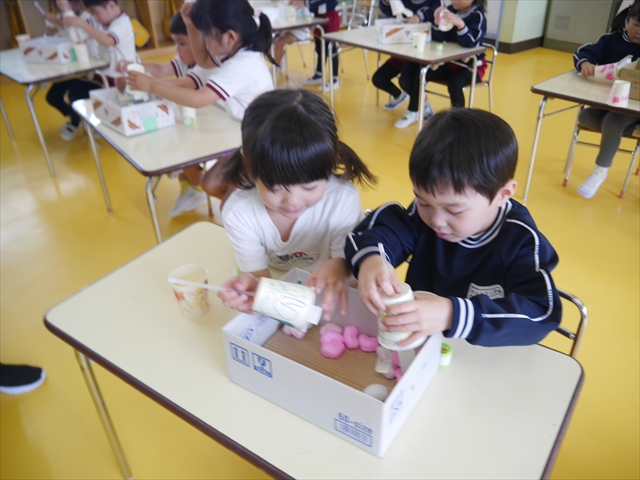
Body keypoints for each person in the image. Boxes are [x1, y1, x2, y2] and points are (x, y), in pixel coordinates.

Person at [345, 109, 562, 347]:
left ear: (503, 194)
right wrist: (373, 259)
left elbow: (541, 312)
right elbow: (382, 230)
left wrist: (451, 314)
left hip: (482, 351)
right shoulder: (423, 217)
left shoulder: (520, 240)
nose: (436, 220)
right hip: (423, 346)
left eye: (454, 210)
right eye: (423, 202)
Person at [217, 89, 377, 321]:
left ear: (329, 163)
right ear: (249, 164)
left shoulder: (342, 200)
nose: (292, 201)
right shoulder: (239, 213)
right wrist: (252, 289)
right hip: (281, 281)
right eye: (275, 187)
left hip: (325, 291)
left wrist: (342, 267)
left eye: (309, 187)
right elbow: (261, 279)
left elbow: (348, 276)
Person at [127, 0, 275, 217]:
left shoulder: (243, 64)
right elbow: (203, 61)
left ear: (230, 37)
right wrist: (190, 25)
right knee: (210, 184)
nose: (203, 41)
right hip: (245, 138)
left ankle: (258, 215)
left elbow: (198, 99)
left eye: (206, 34)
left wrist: (152, 85)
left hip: (261, 145)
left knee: (229, 205)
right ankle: (254, 212)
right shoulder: (234, 52)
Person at [119, 13, 217, 217]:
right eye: (175, 43)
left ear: (202, 42)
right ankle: (189, 188)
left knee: (180, 149)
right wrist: (134, 69)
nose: (177, 49)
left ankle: (197, 185)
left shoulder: (206, 67)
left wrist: (147, 84)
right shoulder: (183, 62)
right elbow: (158, 68)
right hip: (192, 120)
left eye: (181, 43)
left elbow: (183, 84)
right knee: (171, 140)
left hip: (211, 126)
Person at [572, 0, 640, 199]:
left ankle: (600, 172)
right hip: (606, 102)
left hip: (633, 109)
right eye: (637, 24)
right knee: (584, 117)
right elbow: (585, 52)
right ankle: (625, 131)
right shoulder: (610, 40)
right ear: (628, 19)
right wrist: (585, 63)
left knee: (613, 121)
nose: (639, 31)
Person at [46, 0, 136, 141]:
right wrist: (66, 11)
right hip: (101, 75)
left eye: (96, 12)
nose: (94, 15)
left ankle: (107, 126)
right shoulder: (96, 20)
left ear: (111, 6)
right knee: (76, 94)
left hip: (119, 79)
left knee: (114, 108)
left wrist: (81, 24)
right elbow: (77, 36)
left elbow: (108, 41)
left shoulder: (122, 22)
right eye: (92, 12)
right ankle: (89, 123)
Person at [393, 0, 487, 129]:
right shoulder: (450, 10)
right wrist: (437, 23)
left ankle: (459, 122)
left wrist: (460, 24)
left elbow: (471, 44)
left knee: (455, 84)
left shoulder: (477, 16)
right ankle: (416, 110)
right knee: (420, 73)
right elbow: (439, 38)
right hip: (449, 63)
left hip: (471, 67)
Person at [372, 0, 440, 112]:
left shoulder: (435, 2)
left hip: (421, 55)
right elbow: (389, 12)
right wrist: (386, 2)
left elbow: (435, 12)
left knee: (406, 81)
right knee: (378, 79)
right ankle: (401, 96)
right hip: (402, 52)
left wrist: (419, 16)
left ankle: (420, 105)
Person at [301, 0, 341, 90]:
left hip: (329, 17)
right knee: (320, 47)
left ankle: (334, 79)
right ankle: (319, 74)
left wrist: (306, 2)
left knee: (330, 48)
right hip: (318, 18)